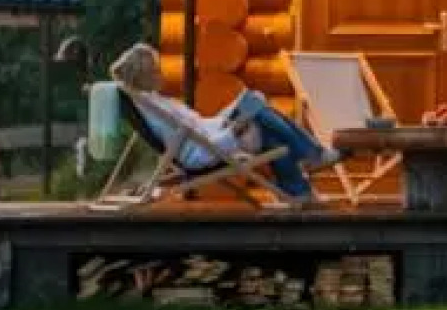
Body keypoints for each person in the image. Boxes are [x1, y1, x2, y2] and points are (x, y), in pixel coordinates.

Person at [108, 43, 336, 203]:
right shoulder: (155, 112)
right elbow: (192, 154)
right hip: (209, 150)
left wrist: (228, 119)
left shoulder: (154, 102)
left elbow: (198, 127)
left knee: (255, 106)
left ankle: (299, 187)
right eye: (155, 70)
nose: (161, 74)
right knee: (260, 115)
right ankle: (311, 157)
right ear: (142, 76)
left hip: (212, 135)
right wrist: (232, 131)